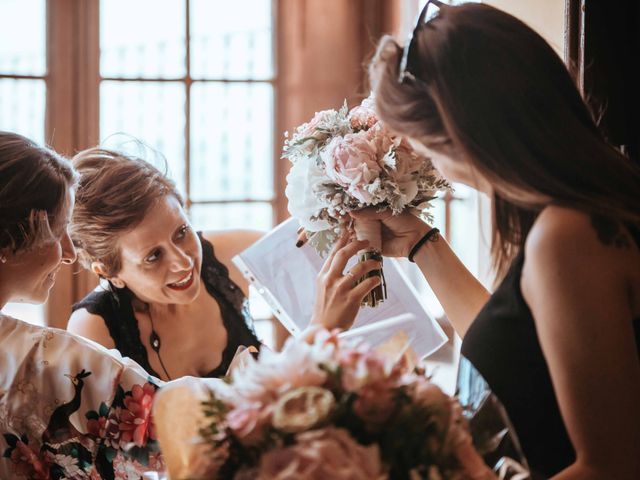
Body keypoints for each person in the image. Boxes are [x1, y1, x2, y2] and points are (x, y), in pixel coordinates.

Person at [333, 2, 640, 478]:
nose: (413, 149)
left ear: (462, 131)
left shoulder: (567, 236)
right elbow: (528, 359)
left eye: (417, 137)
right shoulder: (580, 207)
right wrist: (421, 246)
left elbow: (611, 467)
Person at [67, 147, 380, 381]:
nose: (184, 261)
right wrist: (321, 331)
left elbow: (325, 242)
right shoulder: (94, 329)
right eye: (153, 256)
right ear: (108, 271)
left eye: (181, 232)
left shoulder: (228, 255)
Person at [0, 131, 164, 478]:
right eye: (59, 231)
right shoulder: (50, 364)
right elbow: (190, 426)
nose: (70, 253)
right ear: (10, 239)